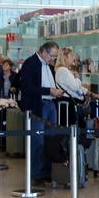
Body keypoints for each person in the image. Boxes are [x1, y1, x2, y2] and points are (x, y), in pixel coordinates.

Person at [19, 41, 64, 183]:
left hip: (50, 104)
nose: (53, 59)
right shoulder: (30, 64)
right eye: (52, 56)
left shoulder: (48, 66)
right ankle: (36, 173)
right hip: (38, 106)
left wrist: (55, 91)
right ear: (44, 52)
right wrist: (48, 90)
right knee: (37, 141)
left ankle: (46, 171)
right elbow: (27, 88)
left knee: (50, 140)